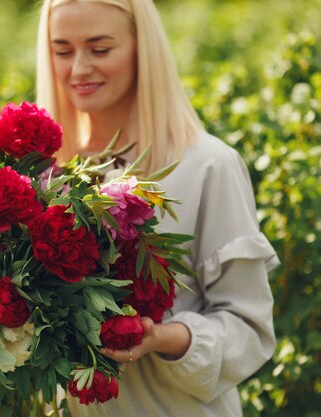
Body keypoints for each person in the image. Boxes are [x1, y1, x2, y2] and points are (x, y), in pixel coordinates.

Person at [36, 1, 279, 416]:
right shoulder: (46, 173)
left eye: (99, 49)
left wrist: (162, 337)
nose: (77, 70)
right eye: (62, 51)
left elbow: (249, 330)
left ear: (141, 49)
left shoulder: (207, 165)